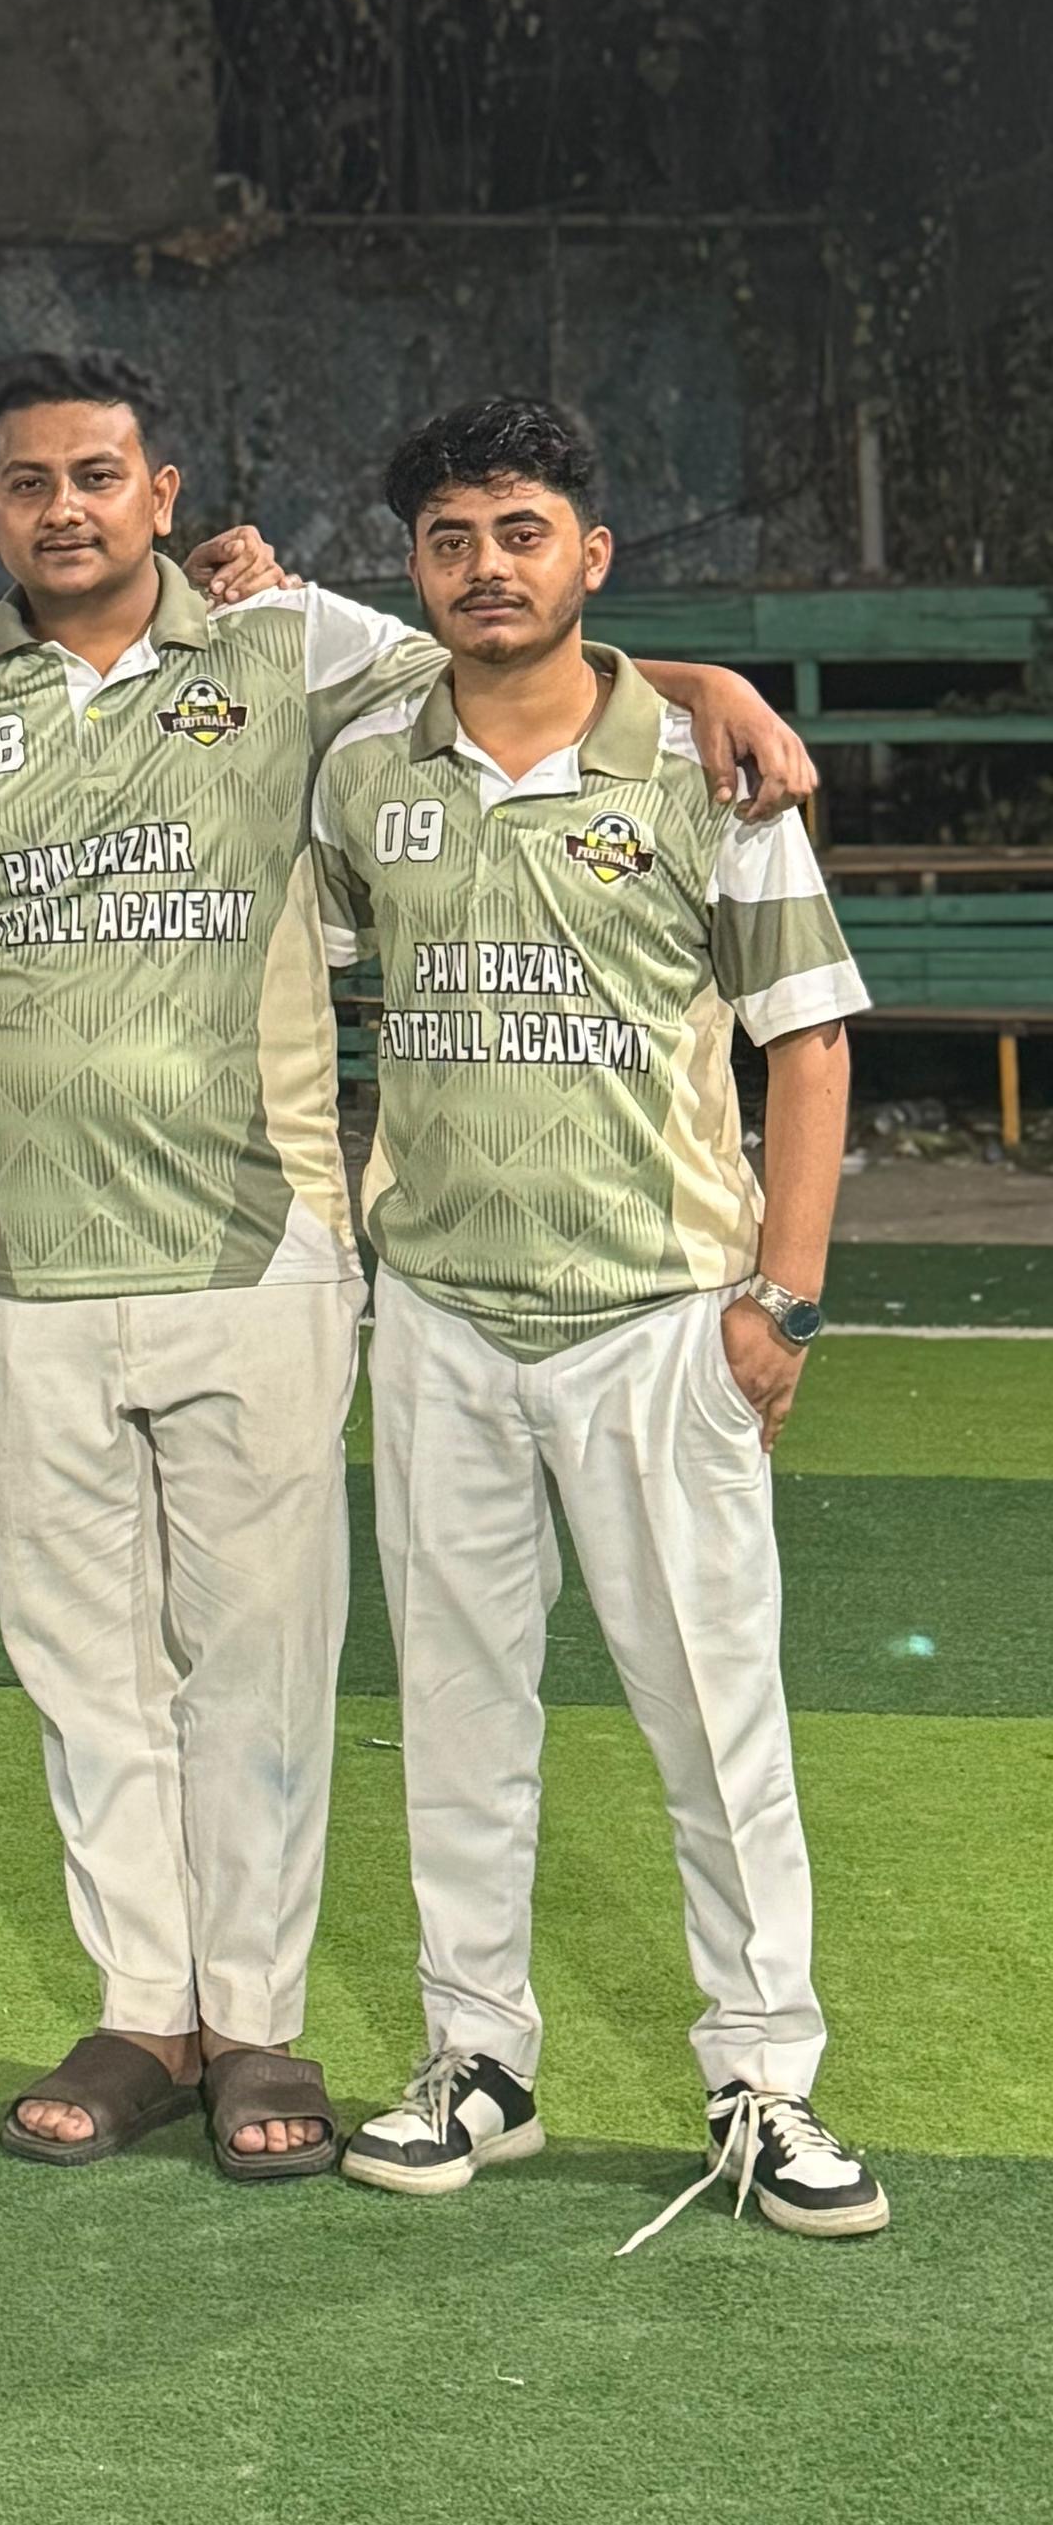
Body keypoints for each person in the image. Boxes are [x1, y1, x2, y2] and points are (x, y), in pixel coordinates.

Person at [0, 348, 814, 2182]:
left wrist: (706, 683)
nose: (65, 508)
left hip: (263, 1248)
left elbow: (514, 663)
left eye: (98, 474)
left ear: (162, 491)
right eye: (28, 482)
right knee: (86, 1675)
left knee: (265, 1667)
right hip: (16, 1257)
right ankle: (147, 2012)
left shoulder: (298, 645)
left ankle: (260, 2021)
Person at [311, 395, 886, 2239]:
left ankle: (764, 2079)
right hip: (443, 1314)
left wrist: (784, 1302)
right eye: (451, 539)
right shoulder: (365, 768)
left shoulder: (709, 770)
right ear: (417, 569)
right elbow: (317, 983)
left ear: (593, 556)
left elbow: (810, 1046)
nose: (487, 567)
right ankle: (477, 2059)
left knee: (716, 1720)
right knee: (459, 1713)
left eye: (523, 531)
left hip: (659, 1318)